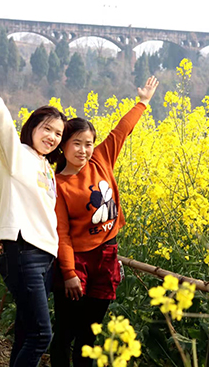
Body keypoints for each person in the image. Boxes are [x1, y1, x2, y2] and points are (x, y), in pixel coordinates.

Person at [49, 76, 159, 367]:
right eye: (76, 144)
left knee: (90, 332)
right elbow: (62, 233)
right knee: (65, 330)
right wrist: (69, 272)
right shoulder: (58, 184)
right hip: (78, 261)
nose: (83, 150)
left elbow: (121, 132)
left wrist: (143, 102)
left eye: (88, 144)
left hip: (107, 254)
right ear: (62, 146)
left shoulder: (101, 160)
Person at [0, 64, 66, 367]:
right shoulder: (17, 155)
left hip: (44, 257)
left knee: (27, 332)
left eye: (58, 134)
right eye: (46, 129)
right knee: (42, 334)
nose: (51, 137)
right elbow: (2, 129)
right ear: (32, 127)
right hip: (23, 251)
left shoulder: (46, 168)